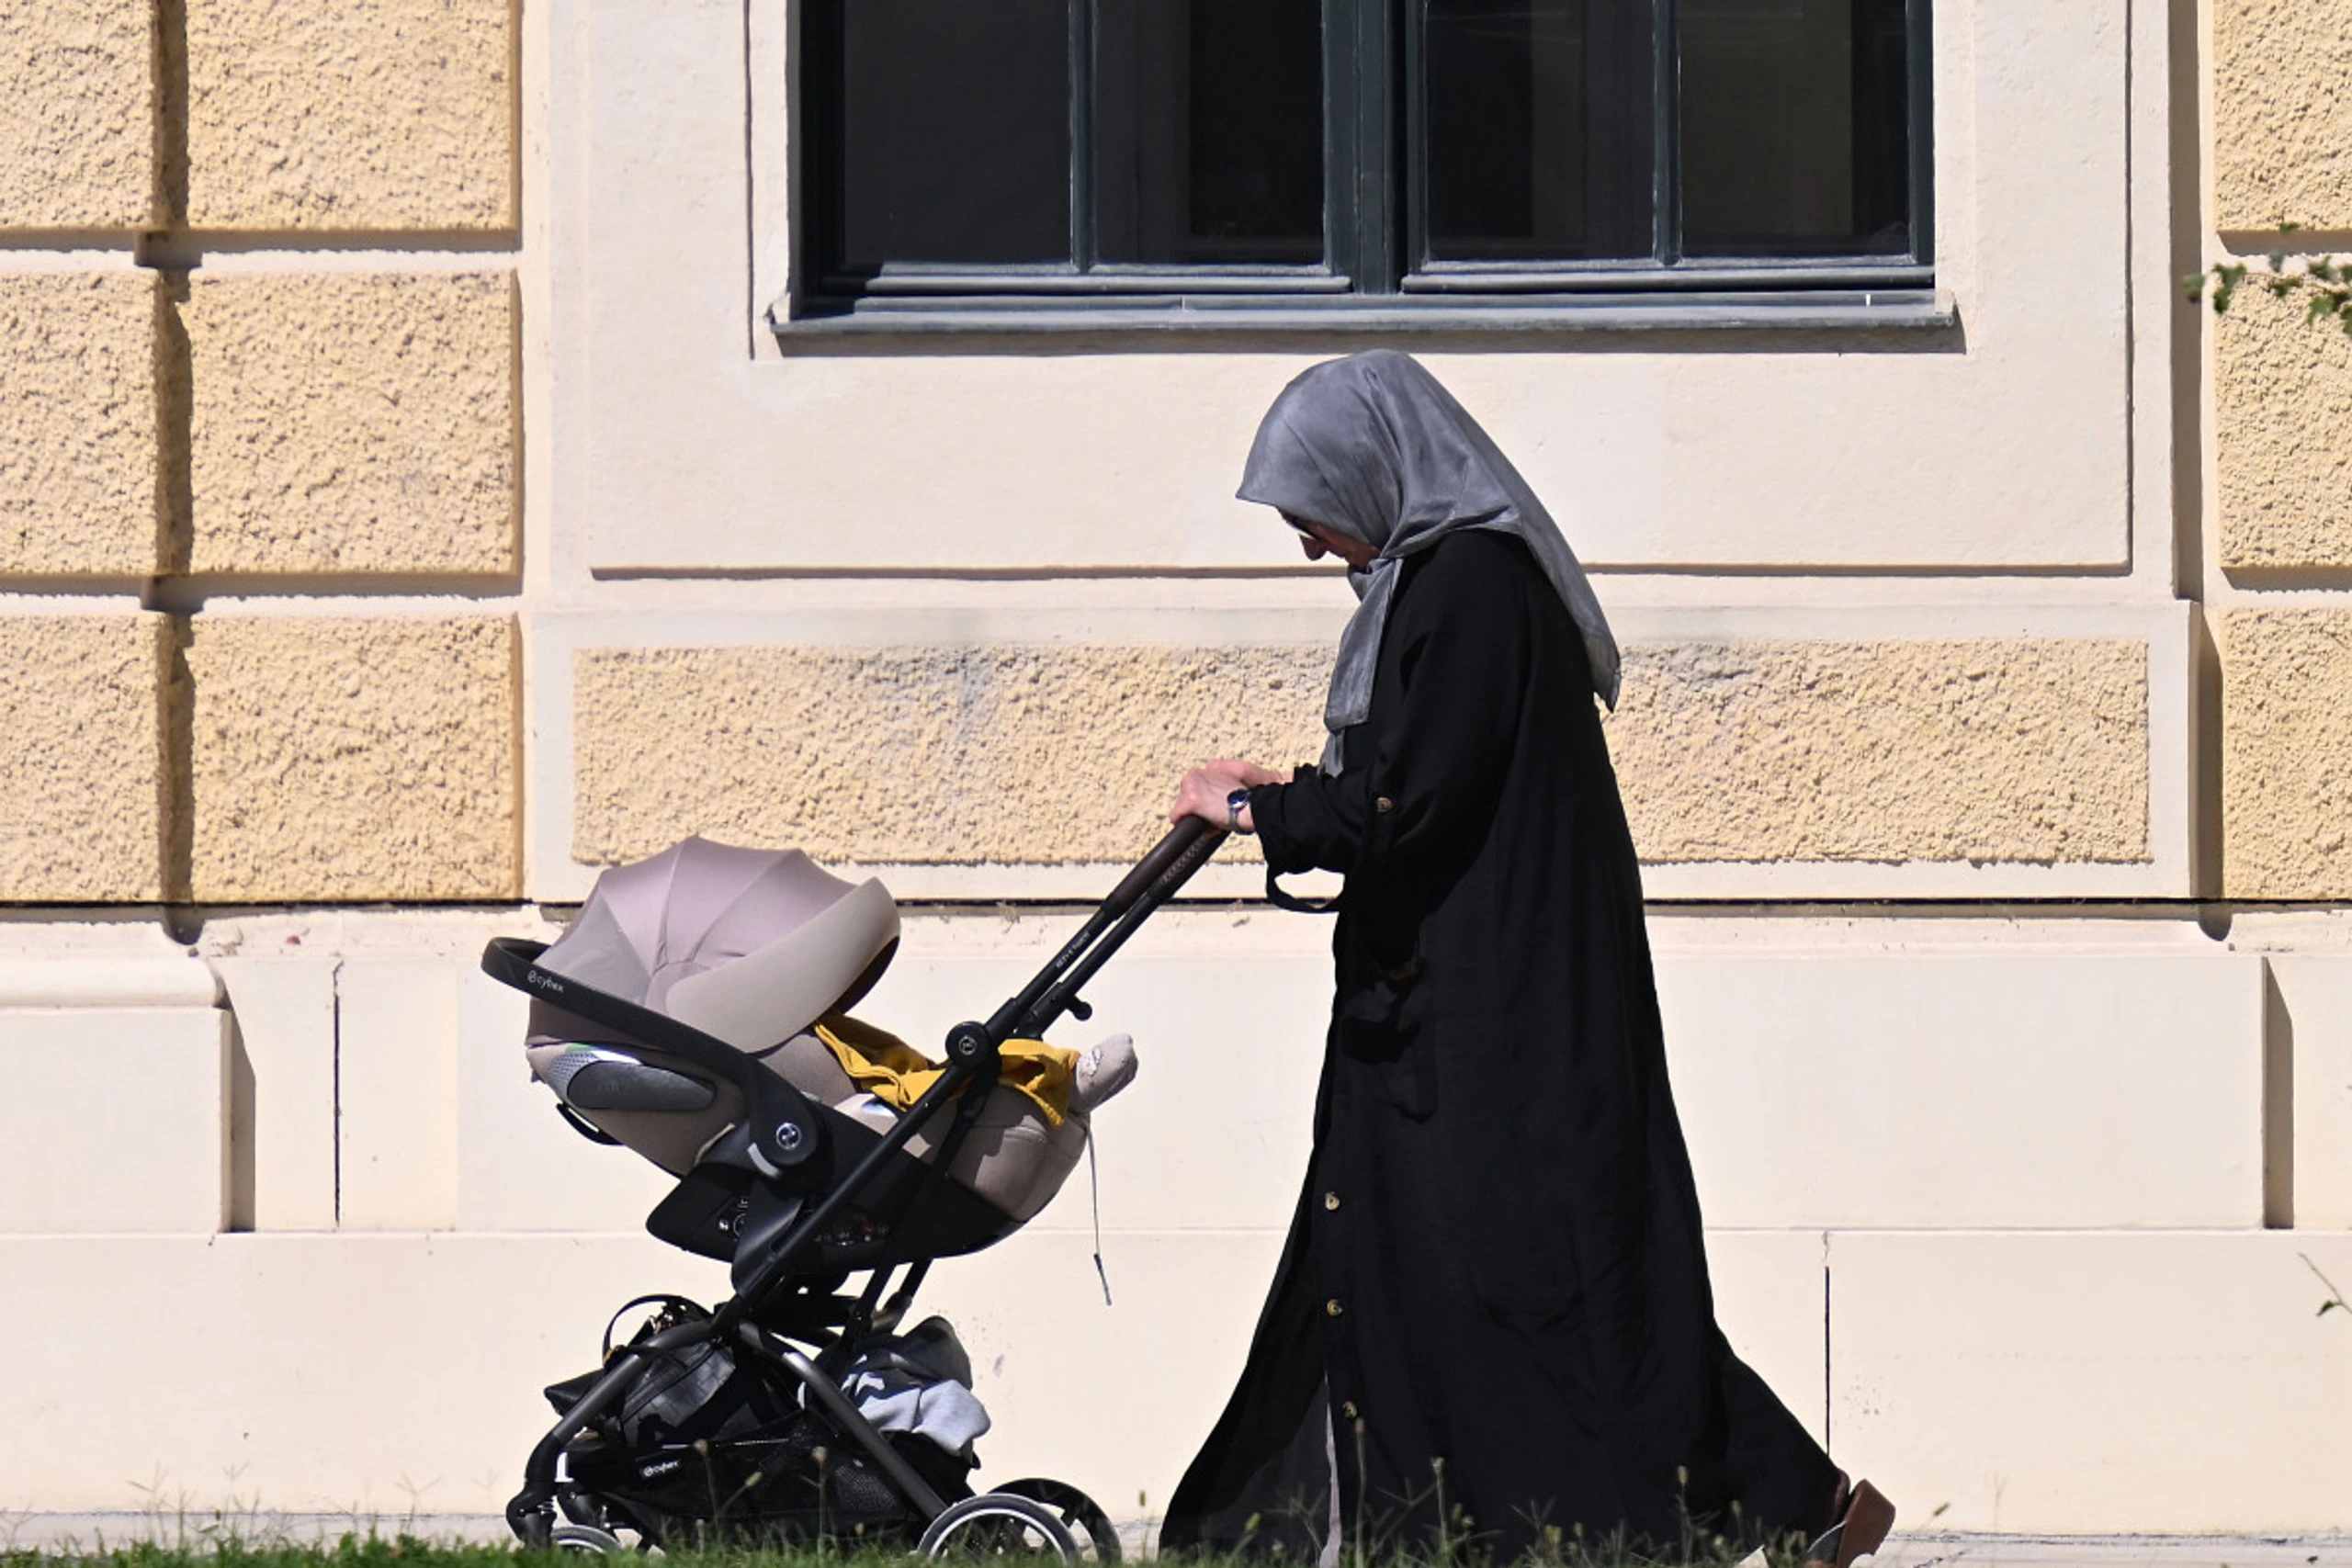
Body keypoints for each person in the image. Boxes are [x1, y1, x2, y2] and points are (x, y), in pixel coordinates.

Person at [1158, 351, 1893, 1566]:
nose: (1309, 548)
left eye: (1311, 513)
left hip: (1495, 1018)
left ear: (1370, 469)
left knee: (1552, 1281)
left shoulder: (1469, 591)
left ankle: (1779, 1501)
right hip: (1465, 1004)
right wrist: (1296, 791)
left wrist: (1257, 814)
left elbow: (1412, 808)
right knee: (1488, 1272)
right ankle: (1760, 1505)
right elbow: (1411, 778)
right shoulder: (1441, 590)